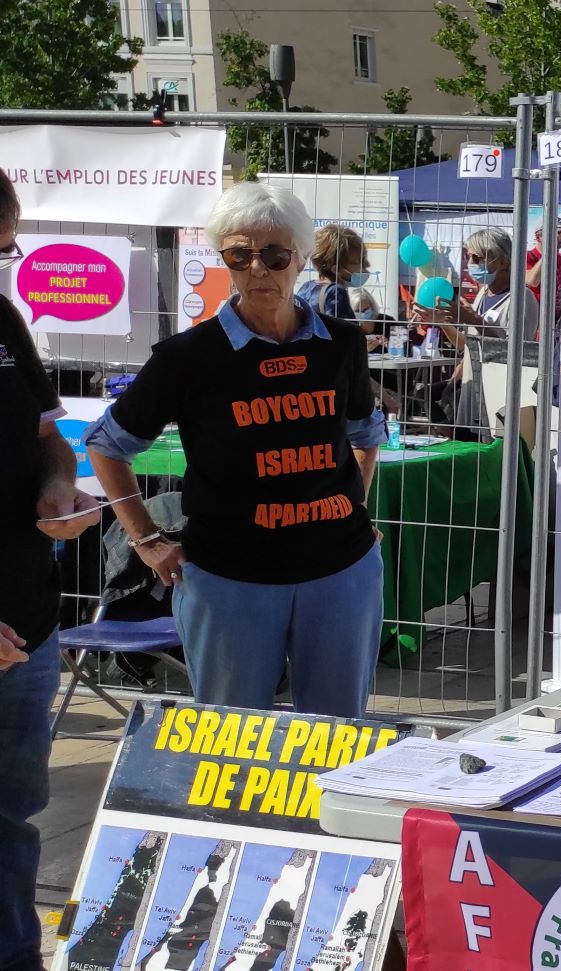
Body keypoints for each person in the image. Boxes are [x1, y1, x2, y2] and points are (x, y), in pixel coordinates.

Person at [85, 181, 388, 719]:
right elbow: (108, 445)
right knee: (231, 738)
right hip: (230, 580)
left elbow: (366, 435)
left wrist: (355, 508)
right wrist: (148, 541)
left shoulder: (341, 344)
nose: (257, 270)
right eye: (239, 256)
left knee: (338, 734)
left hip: (341, 573)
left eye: (274, 255)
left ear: (300, 258)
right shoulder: (189, 357)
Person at [0, 170, 102, 971]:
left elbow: (49, 440)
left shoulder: (3, 320)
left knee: (13, 816)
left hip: (28, 623)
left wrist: (59, 486)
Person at [423, 228, 542, 438]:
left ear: (503, 261)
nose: (471, 263)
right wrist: (442, 323)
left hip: (499, 397)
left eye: (477, 258)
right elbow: (467, 345)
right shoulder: (483, 294)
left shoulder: (521, 298)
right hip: (473, 391)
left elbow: (517, 352)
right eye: (468, 256)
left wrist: (476, 321)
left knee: (489, 450)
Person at [296, 224, 368, 321]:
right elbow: (343, 329)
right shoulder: (336, 292)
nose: (363, 266)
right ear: (336, 269)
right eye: (357, 262)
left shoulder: (306, 287)